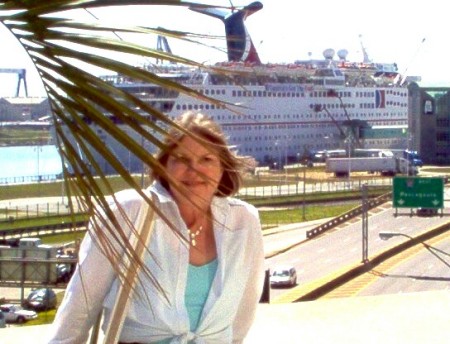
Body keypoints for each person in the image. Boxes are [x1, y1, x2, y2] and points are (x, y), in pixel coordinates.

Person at [48, 111, 265, 343]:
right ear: (163, 166)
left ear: (222, 168)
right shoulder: (128, 211)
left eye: (207, 159)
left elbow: (243, 311)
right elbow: (81, 303)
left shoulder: (243, 222)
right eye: (181, 159)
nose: (194, 171)